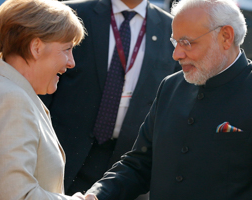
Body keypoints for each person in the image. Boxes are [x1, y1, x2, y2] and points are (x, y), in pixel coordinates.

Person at [85, 0, 252, 199]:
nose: (176, 54)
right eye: (175, 43)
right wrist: (97, 195)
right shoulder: (170, 86)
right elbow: (140, 163)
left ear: (226, 37)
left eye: (187, 43)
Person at [40, 0, 180, 198]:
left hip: (127, 168)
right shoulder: (71, 14)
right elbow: (42, 82)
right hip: (61, 154)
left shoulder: (172, 29)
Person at [0, 0, 97, 199]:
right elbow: (20, 195)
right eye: (66, 49)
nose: (71, 62)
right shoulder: (11, 101)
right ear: (36, 47)